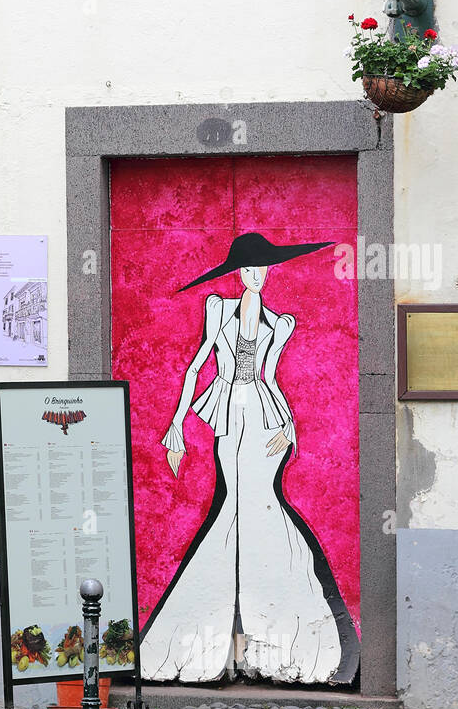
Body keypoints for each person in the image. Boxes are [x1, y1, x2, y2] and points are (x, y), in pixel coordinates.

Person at [139, 232, 360, 685]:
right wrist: (177, 422)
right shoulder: (217, 309)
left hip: (262, 415)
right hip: (227, 414)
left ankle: (271, 637)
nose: (256, 276)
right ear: (237, 273)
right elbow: (196, 366)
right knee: (232, 506)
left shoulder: (281, 323)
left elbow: (273, 379)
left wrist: (289, 427)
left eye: (263, 269)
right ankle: (218, 637)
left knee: (258, 502)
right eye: (248, 269)